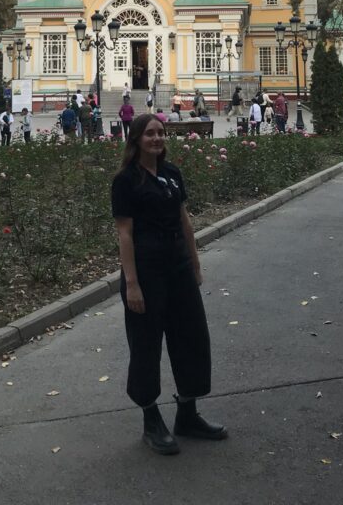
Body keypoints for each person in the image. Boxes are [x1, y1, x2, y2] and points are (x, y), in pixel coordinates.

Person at [111, 113, 227, 455]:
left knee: (192, 337)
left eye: (161, 133)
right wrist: (131, 283)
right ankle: (151, 418)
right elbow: (125, 233)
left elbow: (185, 221)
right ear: (136, 139)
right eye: (149, 134)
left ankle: (187, 413)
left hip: (178, 266)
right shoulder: (126, 181)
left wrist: (195, 263)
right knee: (146, 345)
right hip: (146, 271)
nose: (157, 139)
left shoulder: (172, 173)